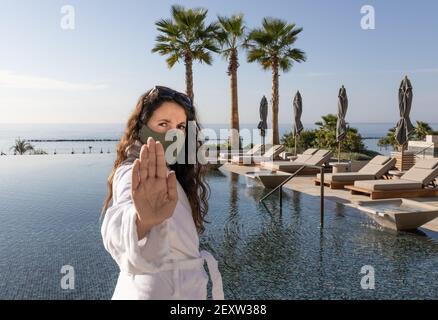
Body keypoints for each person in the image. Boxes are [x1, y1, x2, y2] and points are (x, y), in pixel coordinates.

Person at [100, 86, 224, 300]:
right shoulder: (133, 170)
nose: (173, 134)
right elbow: (118, 226)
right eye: (163, 124)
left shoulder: (171, 171)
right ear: (141, 128)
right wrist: (142, 221)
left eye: (180, 126)